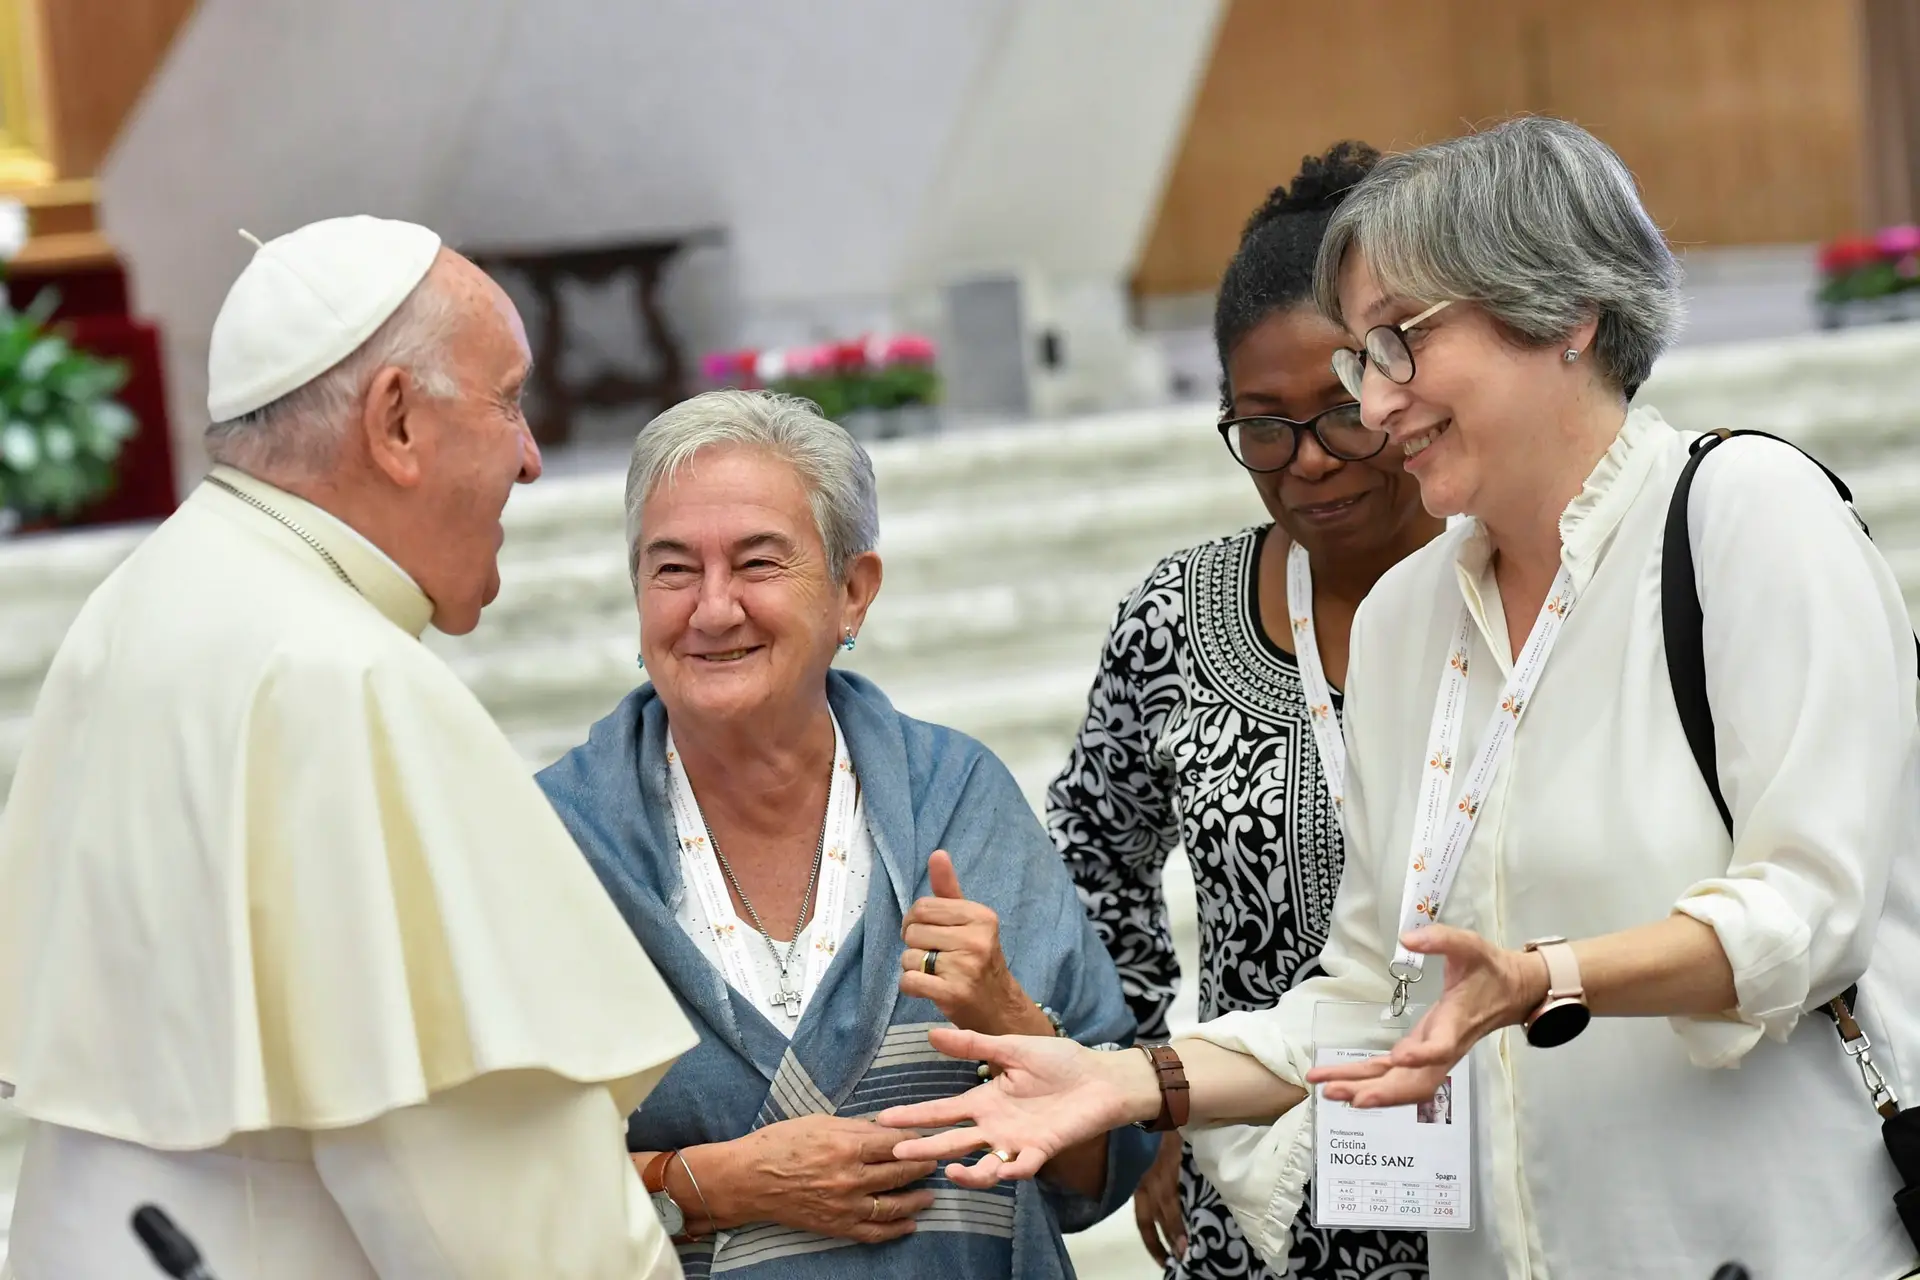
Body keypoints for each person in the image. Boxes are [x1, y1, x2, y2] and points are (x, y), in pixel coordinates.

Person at [881, 117, 1920, 1280]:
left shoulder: (1747, 512)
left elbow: (1810, 911)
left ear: (1565, 314)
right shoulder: (1409, 618)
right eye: (1357, 365)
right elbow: (1373, 995)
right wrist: (1131, 1080)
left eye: (1399, 345)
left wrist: (1546, 977)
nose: (1373, 408)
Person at [0, 217, 696, 1279]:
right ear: (397, 422)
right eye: (508, 398)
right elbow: (493, 1210)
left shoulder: (141, 603)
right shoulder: (341, 678)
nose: (531, 454)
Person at [535, 389, 1156, 1279]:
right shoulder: (558, 842)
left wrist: (1007, 1017)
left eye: (757, 563)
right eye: (673, 570)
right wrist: (714, 1186)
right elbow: (484, 1193)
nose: (712, 609)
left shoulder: (957, 798)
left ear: (852, 593)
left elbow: (1100, 1176)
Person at [1048, 142, 1434, 1280]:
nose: (1309, 461)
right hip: (1262, 1197)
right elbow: (1093, 857)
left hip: (1510, 1175)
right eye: (1264, 426)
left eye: (1342, 410)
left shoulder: (1510, 588)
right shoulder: (1178, 617)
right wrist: (1150, 1084)